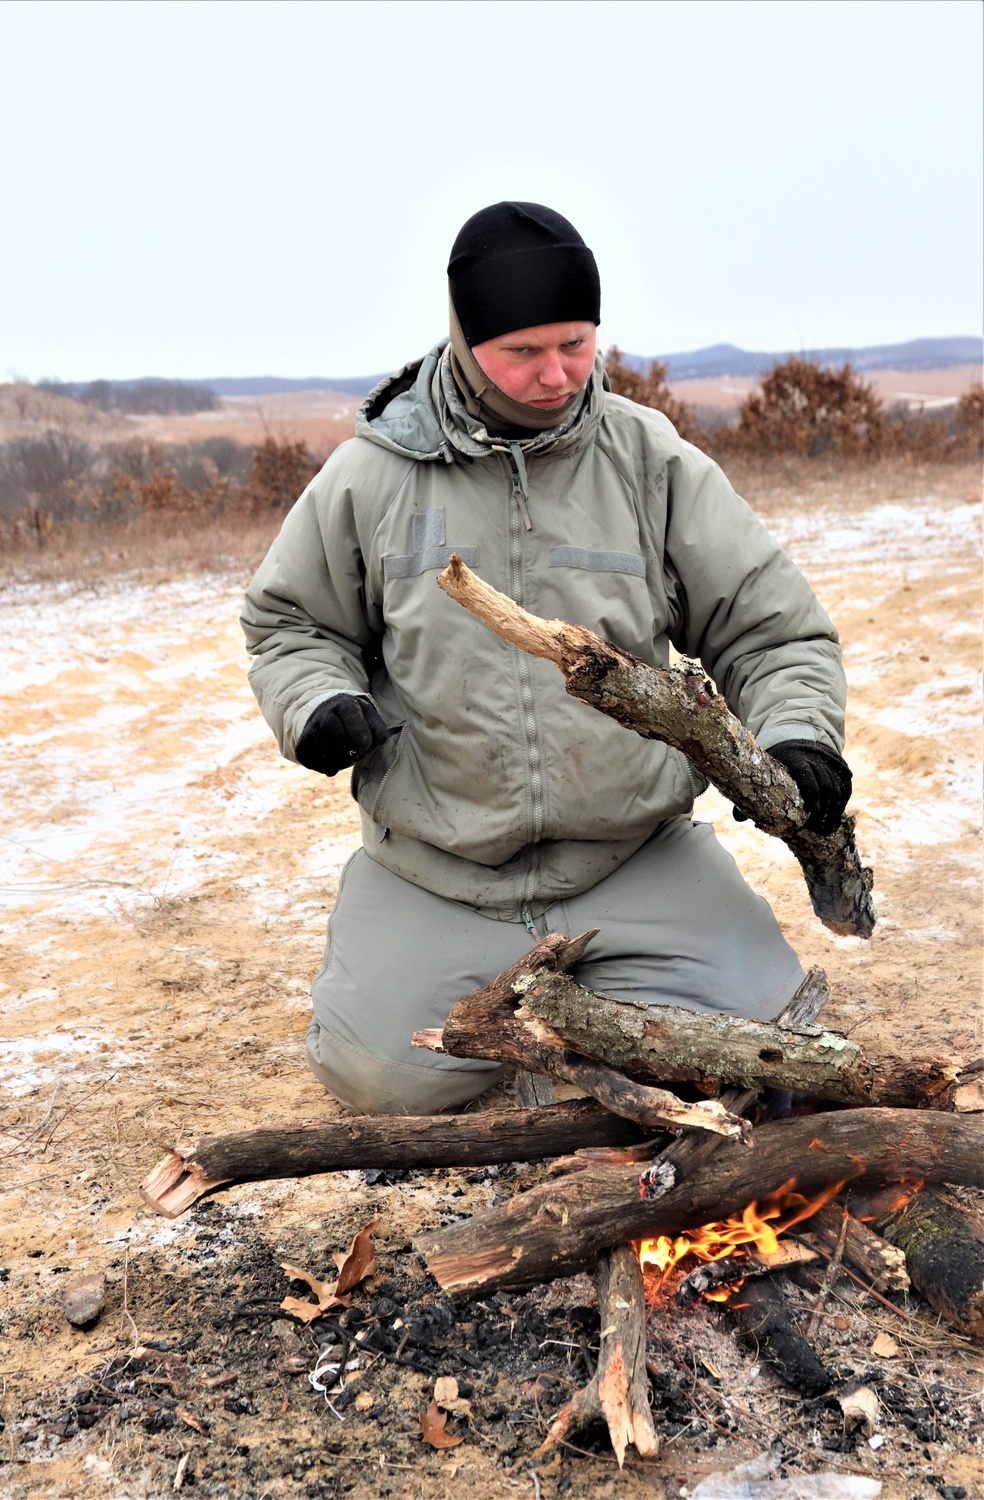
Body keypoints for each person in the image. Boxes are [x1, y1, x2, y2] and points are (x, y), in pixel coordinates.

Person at [241, 201, 852, 1116]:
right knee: (379, 1081)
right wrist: (316, 702)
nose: (556, 374)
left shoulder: (651, 460)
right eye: (523, 351)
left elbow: (771, 627)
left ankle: (580, 1012)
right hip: (439, 870)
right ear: (463, 337)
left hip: (632, 856)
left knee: (774, 1036)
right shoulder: (371, 476)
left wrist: (798, 738)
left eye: (575, 343)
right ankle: (531, 1010)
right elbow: (289, 621)